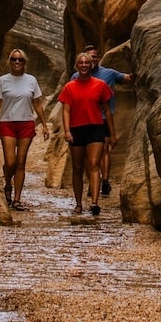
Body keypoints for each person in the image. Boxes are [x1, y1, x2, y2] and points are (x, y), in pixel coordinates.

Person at [67, 44, 133, 197]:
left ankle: (104, 180)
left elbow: (127, 78)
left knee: (104, 150)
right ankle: (94, 182)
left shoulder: (108, 73)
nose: (91, 60)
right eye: (88, 57)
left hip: (103, 119)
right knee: (87, 157)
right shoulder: (75, 78)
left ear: (98, 58)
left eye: (94, 57)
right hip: (82, 121)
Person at [57, 51, 117, 217]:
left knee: (93, 164)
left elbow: (107, 110)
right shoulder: (69, 87)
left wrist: (112, 134)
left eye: (87, 63)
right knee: (77, 168)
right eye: (81, 63)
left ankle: (95, 202)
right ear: (77, 66)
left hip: (95, 128)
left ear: (91, 65)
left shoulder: (100, 85)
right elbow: (66, 110)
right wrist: (67, 130)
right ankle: (78, 204)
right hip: (76, 130)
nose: (84, 65)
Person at [0, 49, 48, 211]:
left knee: (21, 162)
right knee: (10, 161)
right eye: (14, 59)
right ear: (9, 61)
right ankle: (8, 184)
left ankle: (16, 199)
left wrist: (44, 125)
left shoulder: (31, 80)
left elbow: (37, 103)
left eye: (20, 60)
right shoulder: (3, 81)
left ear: (24, 62)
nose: (17, 62)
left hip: (26, 123)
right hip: (7, 123)